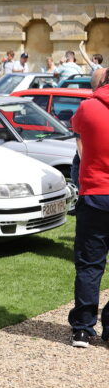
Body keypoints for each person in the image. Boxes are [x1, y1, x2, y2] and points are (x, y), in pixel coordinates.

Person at [68, 67, 109, 347]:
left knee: (90, 265)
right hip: (96, 190)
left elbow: (78, 135)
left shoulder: (88, 107)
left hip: (95, 193)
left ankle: (83, 327)